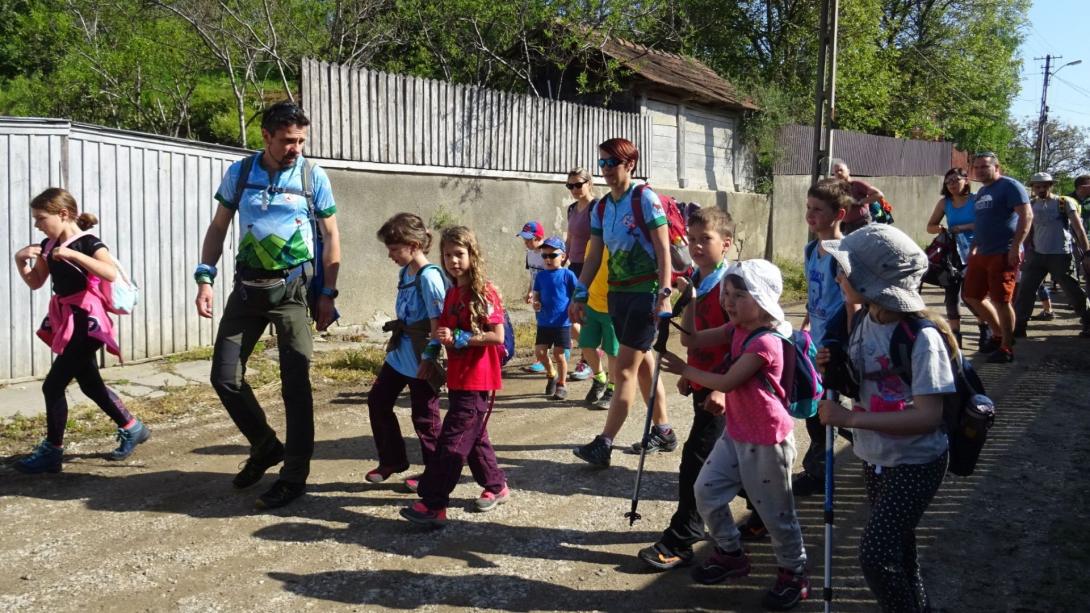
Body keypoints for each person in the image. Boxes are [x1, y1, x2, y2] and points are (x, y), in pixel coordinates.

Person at [195, 101, 341, 510]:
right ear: (266, 136)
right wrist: (204, 276)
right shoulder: (241, 173)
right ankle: (264, 446)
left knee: (296, 385)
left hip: (293, 292)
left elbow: (331, 236)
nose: (296, 148)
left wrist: (328, 293)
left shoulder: (313, 177)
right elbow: (218, 227)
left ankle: (293, 477)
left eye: (300, 140)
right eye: (287, 140)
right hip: (246, 291)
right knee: (225, 377)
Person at [817, 224, 954, 613]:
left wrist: (851, 419)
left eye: (846, 269)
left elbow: (929, 416)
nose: (838, 275)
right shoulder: (863, 320)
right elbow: (864, 386)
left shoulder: (921, 338)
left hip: (916, 460)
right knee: (899, 547)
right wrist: (836, 368)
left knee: (876, 555)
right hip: (876, 456)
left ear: (872, 280)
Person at [659, 259, 810, 611]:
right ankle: (730, 553)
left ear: (761, 298)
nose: (728, 301)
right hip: (738, 432)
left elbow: (727, 382)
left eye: (738, 295)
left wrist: (685, 369)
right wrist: (692, 298)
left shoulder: (768, 343)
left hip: (767, 441)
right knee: (705, 491)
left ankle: (794, 573)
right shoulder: (736, 328)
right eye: (726, 293)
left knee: (776, 515)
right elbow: (692, 337)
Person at [12, 188, 150, 473]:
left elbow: (109, 272)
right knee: (90, 384)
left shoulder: (88, 242)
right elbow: (36, 281)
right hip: (66, 320)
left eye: (41, 218)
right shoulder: (47, 245)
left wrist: (74, 256)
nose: (37, 224)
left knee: (52, 385)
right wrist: (20, 260)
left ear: (63, 214)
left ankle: (53, 451)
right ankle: (133, 427)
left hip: (88, 322)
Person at [637, 206, 734, 571]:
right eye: (691, 239)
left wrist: (722, 389)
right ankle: (760, 513)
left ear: (725, 244)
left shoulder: (731, 284)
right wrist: (689, 373)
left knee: (696, 459)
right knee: (735, 462)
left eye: (704, 239)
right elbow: (692, 334)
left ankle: (683, 537)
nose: (694, 246)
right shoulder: (698, 279)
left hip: (725, 390)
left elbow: (739, 343)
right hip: (703, 383)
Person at [570, 137, 675, 467]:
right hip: (618, 295)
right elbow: (595, 255)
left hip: (645, 294)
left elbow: (663, 250)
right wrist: (580, 291)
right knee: (642, 366)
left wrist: (665, 291)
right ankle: (664, 431)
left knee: (626, 369)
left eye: (611, 163)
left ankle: (605, 443)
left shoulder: (644, 198)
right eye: (601, 163)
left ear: (630, 164)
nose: (605, 170)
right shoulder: (602, 207)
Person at [401, 226, 509, 527]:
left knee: (453, 442)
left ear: (472, 256)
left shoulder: (483, 292)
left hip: (479, 378)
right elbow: (440, 333)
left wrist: (459, 336)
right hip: (459, 378)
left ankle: (434, 503)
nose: (453, 261)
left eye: (459, 254)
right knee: (473, 438)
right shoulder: (451, 294)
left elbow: (496, 336)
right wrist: (429, 356)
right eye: (447, 255)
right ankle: (496, 485)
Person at [365, 213, 446, 488]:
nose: (390, 255)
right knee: (378, 400)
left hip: (421, 354)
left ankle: (436, 474)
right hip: (401, 351)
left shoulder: (429, 277)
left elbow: (438, 324)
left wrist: (430, 358)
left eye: (394, 249)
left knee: (425, 418)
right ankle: (393, 459)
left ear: (413, 245)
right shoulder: (405, 271)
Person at [793, 178, 860, 497]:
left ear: (840, 214)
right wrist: (806, 324)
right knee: (820, 406)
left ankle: (819, 471)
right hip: (815, 341)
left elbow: (852, 301)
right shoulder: (810, 249)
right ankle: (865, 440)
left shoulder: (843, 253)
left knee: (823, 408)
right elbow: (814, 295)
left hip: (835, 343)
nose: (810, 214)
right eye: (808, 207)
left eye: (818, 209)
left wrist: (848, 345)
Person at [960, 152, 1032, 364]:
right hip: (981, 252)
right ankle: (999, 334)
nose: (980, 170)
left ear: (996, 167)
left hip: (1003, 252)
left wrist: (1016, 246)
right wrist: (974, 247)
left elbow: (1026, 216)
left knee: (1001, 300)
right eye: (977, 167)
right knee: (972, 296)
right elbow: (981, 223)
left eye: (985, 167)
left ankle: (1007, 348)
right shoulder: (982, 191)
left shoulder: (1010, 186)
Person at [1013, 172, 1090, 338]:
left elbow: (1079, 229)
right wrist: (1022, 252)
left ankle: (1088, 321)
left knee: (1073, 291)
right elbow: (1028, 230)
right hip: (1036, 255)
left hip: (1060, 255)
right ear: (1032, 187)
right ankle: (1020, 326)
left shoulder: (1064, 203)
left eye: (1045, 186)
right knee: (1025, 291)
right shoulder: (1032, 204)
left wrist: (1087, 253)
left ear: (1050, 186)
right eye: (1037, 186)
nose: (1041, 189)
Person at [925, 167, 986, 347]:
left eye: (956, 180)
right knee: (951, 294)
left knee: (970, 295)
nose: (952, 184)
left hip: (975, 251)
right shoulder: (945, 203)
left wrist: (964, 227)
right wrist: (940, 229)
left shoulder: (976, 200)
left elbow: (985, 223)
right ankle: (956, 336)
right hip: (952, 254)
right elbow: (930, 226)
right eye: (948, 181)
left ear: (965, 180)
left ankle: (984, 329)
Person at [532, 236, 579, 400]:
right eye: (544, 256)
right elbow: (536, 293)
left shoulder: (568, 275)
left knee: (559, 354)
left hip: (562, 322)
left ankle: (562, 384)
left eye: (552, 256)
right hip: (544, 322)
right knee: (540, 352)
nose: (548, 259)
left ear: (563, 256)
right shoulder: (541, 276)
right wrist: (536, 302)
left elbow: (577, 293)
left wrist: (575, 306)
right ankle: (551, 374)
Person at [564, 169, 597, 382]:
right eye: (570, 186)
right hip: (573, 266)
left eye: (578, 184)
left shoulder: (597, 207)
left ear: (589, 183)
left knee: (585, 315)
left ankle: (588, 360)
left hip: (590, 266)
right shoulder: (572, 209)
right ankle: (591, 353)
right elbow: (569, 239)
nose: (575, 189)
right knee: (571, 314)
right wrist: (562, 261)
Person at [577, 237, 618, 409]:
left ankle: (612, 388)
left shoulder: (619, 242)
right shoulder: (591, 242)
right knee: (586, 345)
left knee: (612, 352)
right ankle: (600, 378)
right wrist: (579, 296)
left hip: (613, 307)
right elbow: (588, 269)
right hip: (591, 304)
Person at [517, 220, 549, 375]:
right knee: (542, 326)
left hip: (549, 296)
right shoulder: (529, 254)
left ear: (538, 237)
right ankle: (543, 358)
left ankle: (550, 355)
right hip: (537, 297)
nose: (526, 243)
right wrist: (530, 291)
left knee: (551, 326)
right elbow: (532, 275)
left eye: (528, 239)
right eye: (524, 239)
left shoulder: (547, 254)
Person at [832, 159, 885, 234]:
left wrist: (860, 202)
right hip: (846, 227)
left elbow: (879, 194)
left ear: (848, 171)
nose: (839, 173)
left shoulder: (857, 184)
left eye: (841, 170)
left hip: (862, 224)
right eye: (836, 171)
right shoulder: (838, 189)